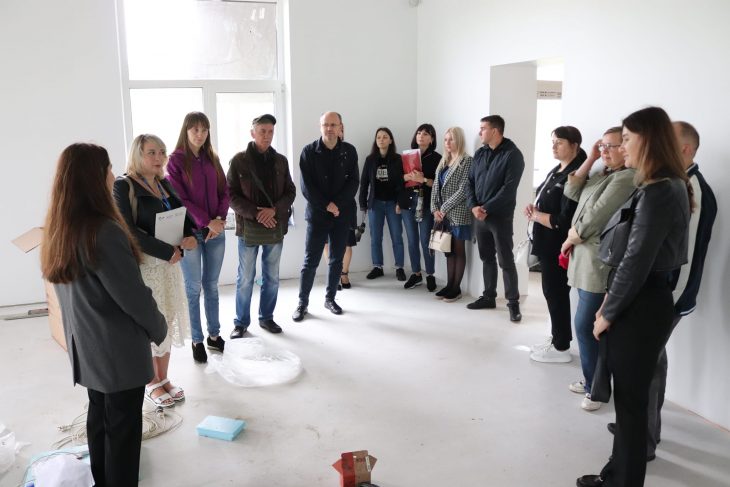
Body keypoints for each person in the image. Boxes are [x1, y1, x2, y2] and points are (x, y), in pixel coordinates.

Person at [577, 106, 692, 487]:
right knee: (628, 403)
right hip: (642, 299)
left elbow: (636, 261)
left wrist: (607, 312)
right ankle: (616, 474)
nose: (621, 146)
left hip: (641, 303)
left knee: (629, 404)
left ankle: (622, 480)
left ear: (649, 139)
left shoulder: (660, 191)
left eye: (627, 138)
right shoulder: (665, 185)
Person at [42, 143, 167, 486]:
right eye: (108, 168)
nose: (113, 175)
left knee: (100, 418)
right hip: (116, 351)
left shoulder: (60, 228)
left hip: (87, 347)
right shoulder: (103, 231)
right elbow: (133, 297)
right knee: (123, 432)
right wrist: (159, 327)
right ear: (93, 177)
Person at [605, 120, 717, 459]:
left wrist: (669, 301)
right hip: (659, 294)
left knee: (647, 367)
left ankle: (643, 440)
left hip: (667, 296)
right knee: (652, 363)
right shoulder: (674, 184)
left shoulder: (691, 188)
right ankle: (642, 429)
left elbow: (683, 255)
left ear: (683, 149)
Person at [114, 134, 197, 408]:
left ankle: (164, 378)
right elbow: (128, 230)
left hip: (170, 265)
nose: (159, 157)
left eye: (162, 151)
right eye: (152, 152)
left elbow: (182, 216)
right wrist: (167, 251)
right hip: (146, 266)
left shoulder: (164, 183)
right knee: (151, 321)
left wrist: (190, 237)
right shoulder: (123, 185)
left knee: (167, 318)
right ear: (137, 155)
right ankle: (151, 382)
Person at [559, 127, 636, 411]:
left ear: (624, 148)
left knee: (587, 326)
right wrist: (590, 158)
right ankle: (591, 379)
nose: (605, 151)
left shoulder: (626, 178)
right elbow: (571, 190)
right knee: (585, 325)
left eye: (610, 146)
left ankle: (597, 388)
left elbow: (595, 217)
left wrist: (570, 238)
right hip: (582, 259)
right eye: (601, 146)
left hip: (597, 261)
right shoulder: (603, 173)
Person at [167, 112, 230, 363]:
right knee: (193, 288)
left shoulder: (212, 158)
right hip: (190, 233)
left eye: (204, 129)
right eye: (195, 129)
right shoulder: (175, 161)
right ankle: (197, 339)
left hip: (216, 232)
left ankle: (214, 335)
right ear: (186, 130)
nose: (200, 134)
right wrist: (206, 221)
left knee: (211, 286)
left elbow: (225, 191)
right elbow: (180, 198)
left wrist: (219, 220)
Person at [227, 114, 296, 337]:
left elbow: (290, 191)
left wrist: (273, 210)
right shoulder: (238, 161)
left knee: (272, 277)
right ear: (252, 133)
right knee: (245, 277)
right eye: (262, 131)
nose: (267, 135)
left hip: (274, 224)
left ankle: (266, 318)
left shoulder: (281, 161)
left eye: (270, 131)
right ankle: (241, 323)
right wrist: (257, 213)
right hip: (248, 227)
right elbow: (230, 195)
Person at [525, 126, 586, 362]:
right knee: (552, 293)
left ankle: (561, 347)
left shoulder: (576, 174)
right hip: (545, 241)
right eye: (552, 141)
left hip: (558, 246)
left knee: (556, 293)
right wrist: (535, 209)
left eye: (559, 142)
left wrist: (537, 216)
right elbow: (545, 200)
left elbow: (564, 220)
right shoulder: (557, 169)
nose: (553, 146)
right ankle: (557, 338)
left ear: (574, 146)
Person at [293, 111, 359, 321]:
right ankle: (302, 303)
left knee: (336, 259)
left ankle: (330, 299)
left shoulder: (349, 151)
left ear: (340, 127)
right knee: (310, 261)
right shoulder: (308, 152)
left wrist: (337, 204)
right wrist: (327, 205)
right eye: (325, 125)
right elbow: (306, 187)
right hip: (318, 215)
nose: (329, 128)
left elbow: (353, 182)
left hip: (341, 214)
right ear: (320, 127)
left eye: (333, 124)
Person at [465, 115, 525, 322]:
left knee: (505, 260)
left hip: (500, 217)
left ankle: (513, 304)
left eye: (483, 128)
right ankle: (489, 296)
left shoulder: (513, 155)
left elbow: (509, 189)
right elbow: (469, 182)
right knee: (486, 258)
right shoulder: (480, 153)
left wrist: (486, 208)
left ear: (495, 131)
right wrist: (473, 207)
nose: (480, 132)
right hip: (480, 216)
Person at [431, 127, 473, 302]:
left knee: (458, 250)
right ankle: (449, 285)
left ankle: (456, 288)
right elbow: (435, 187)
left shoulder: (467, 161)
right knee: (448, 251)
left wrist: (444, 208)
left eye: (451, 139)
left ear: (459, 140)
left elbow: (464, 190)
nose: (448, 143)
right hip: (443, 214)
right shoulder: (444, 160)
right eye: (446, 139)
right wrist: (434, 209)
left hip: (459, 213)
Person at [359, 127, 406, 281]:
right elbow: (364, 183)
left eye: (385, 137)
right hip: (375, 204)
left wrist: (400, 202)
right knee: (375, 237)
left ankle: (399, 267)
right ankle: (377, 267)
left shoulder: (398, 159)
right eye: (378, 137)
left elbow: (402, 183)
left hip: (393, 203)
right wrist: (363, 204)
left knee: (397, 236)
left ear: (390, 140)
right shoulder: (370, 160)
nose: (381, 140)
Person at [401, 123, 441, 291]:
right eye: (419, 133)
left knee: (426, 241)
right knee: (412, 241)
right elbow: (399, 180)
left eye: (425, 134)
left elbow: (439, 184)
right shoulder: (407, 155)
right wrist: (407, 177)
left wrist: (423, 180)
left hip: (426, 203)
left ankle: (430, 274)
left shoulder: (438, 158)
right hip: (408, 202)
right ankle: (416, 274)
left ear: (432, 139)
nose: (421, 136)